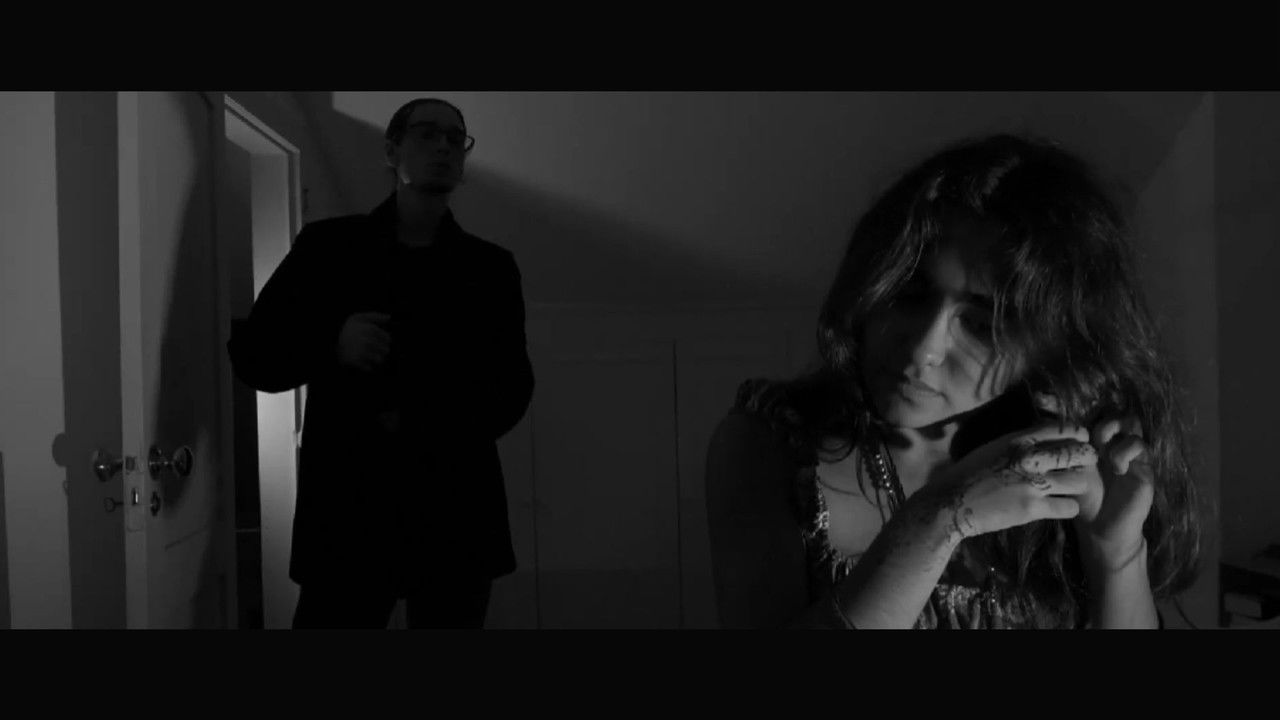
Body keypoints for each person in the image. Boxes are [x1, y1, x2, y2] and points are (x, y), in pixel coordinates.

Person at [705, 134, 1202, 629]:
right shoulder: (772, 446)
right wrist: (939, 519)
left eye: (982, 324)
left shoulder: (1072, 466)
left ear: (1051, 348)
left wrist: (1116, 554)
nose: (923, 350)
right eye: (910, 293)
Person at [228, 98, 534, 629]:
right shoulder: (329, 249)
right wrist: (332, 344)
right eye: (427, 133)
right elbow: (255, 355)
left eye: (455, 138)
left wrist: (424, 422)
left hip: (454, 511)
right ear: (392, 150)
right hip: (350, 511)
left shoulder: (489, 269)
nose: (444, 146)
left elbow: (512, 389)